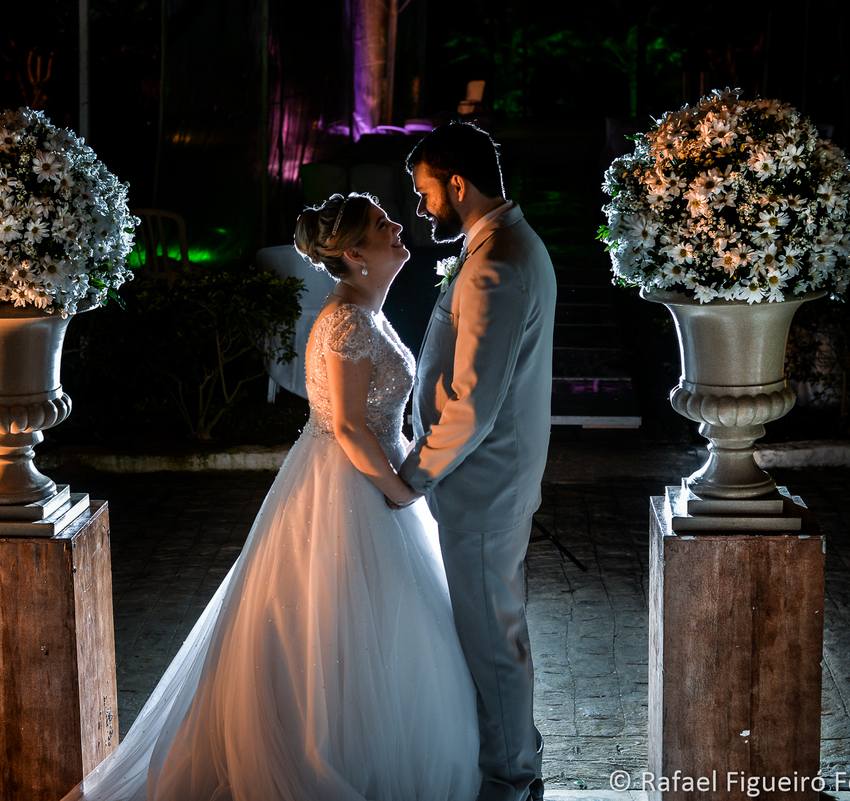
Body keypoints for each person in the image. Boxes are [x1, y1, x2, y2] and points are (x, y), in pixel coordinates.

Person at [62, 193, 480, 801]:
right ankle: (333, 758)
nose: (398, 226)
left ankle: (367, 750)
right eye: (381, 224)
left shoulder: (365, 313)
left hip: (364, 481)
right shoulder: (346, 323)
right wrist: (403, 493)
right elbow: (349, 427)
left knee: (375, 635)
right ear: (356, 254)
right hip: (352, 489)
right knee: (337, 628)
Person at [397, 122, 557, 801]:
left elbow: (472, 404)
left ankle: (512, 777)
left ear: (457, 185)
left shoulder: (497, 263)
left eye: (425, 192)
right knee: (493, 630)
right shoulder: (497, 245)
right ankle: (512, 764)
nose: (421, 208)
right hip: (485, 483)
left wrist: (411, 476)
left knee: (493, 639)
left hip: (483, 486)